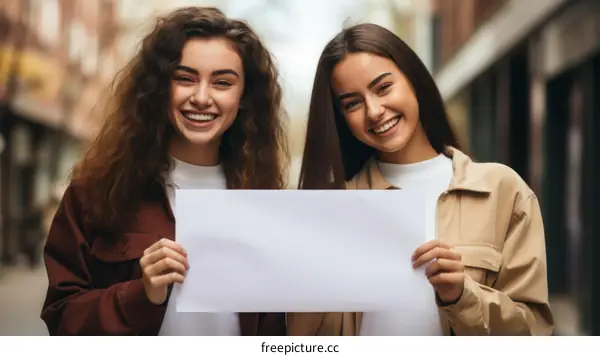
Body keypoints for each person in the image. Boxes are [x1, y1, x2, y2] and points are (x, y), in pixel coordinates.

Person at [40, 7, 291, 336]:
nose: (201, 98)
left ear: (243, 97)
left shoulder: (265, 202)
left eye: (222, 82)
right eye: (184, 78)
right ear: (159, 87)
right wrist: (140, 295)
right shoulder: (95, 192)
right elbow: (61, 318)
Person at [294, 23, 554, 336]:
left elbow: (534, 333)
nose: (374, 111)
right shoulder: (334, 208)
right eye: (352, 103)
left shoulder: (502, 191)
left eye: (383, 88)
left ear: (414, 81)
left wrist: (461, 295)